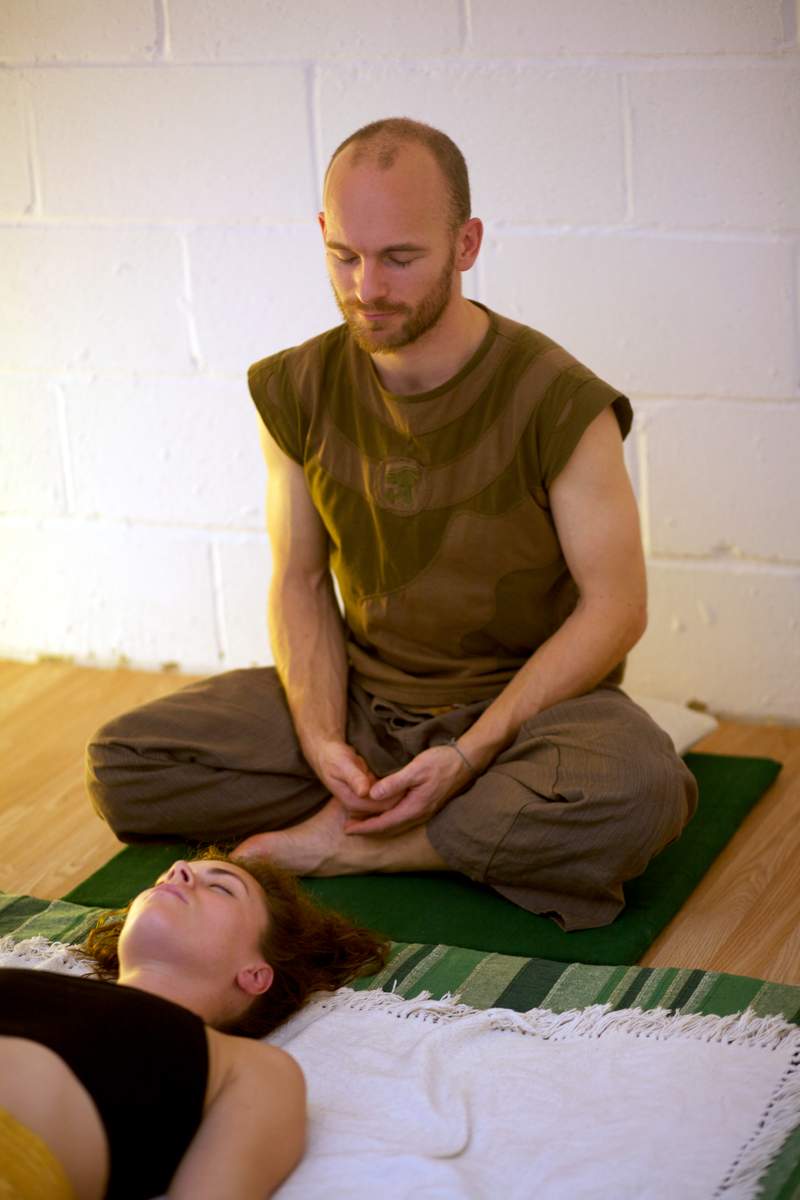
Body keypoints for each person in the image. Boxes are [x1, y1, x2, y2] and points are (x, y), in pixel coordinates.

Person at [86, 116, 698, 934]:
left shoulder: (560, 400)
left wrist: (469, 754)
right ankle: (411, 807)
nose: (367, 286)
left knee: (641, 789)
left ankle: (363, 846)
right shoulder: (295, 387)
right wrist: (319, 738)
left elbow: (616, 609)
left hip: (524, 722)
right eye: (345, 255)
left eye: (401, 258)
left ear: (466, 243)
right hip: (366, 706)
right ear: (324, 235)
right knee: (125, 764)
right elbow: (300, 580)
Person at [0, 852, 388, 1200]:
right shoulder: (29, 977)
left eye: (221, 887)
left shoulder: (250, 1066)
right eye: (166, 875)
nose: (178, 870)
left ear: (255, 974)